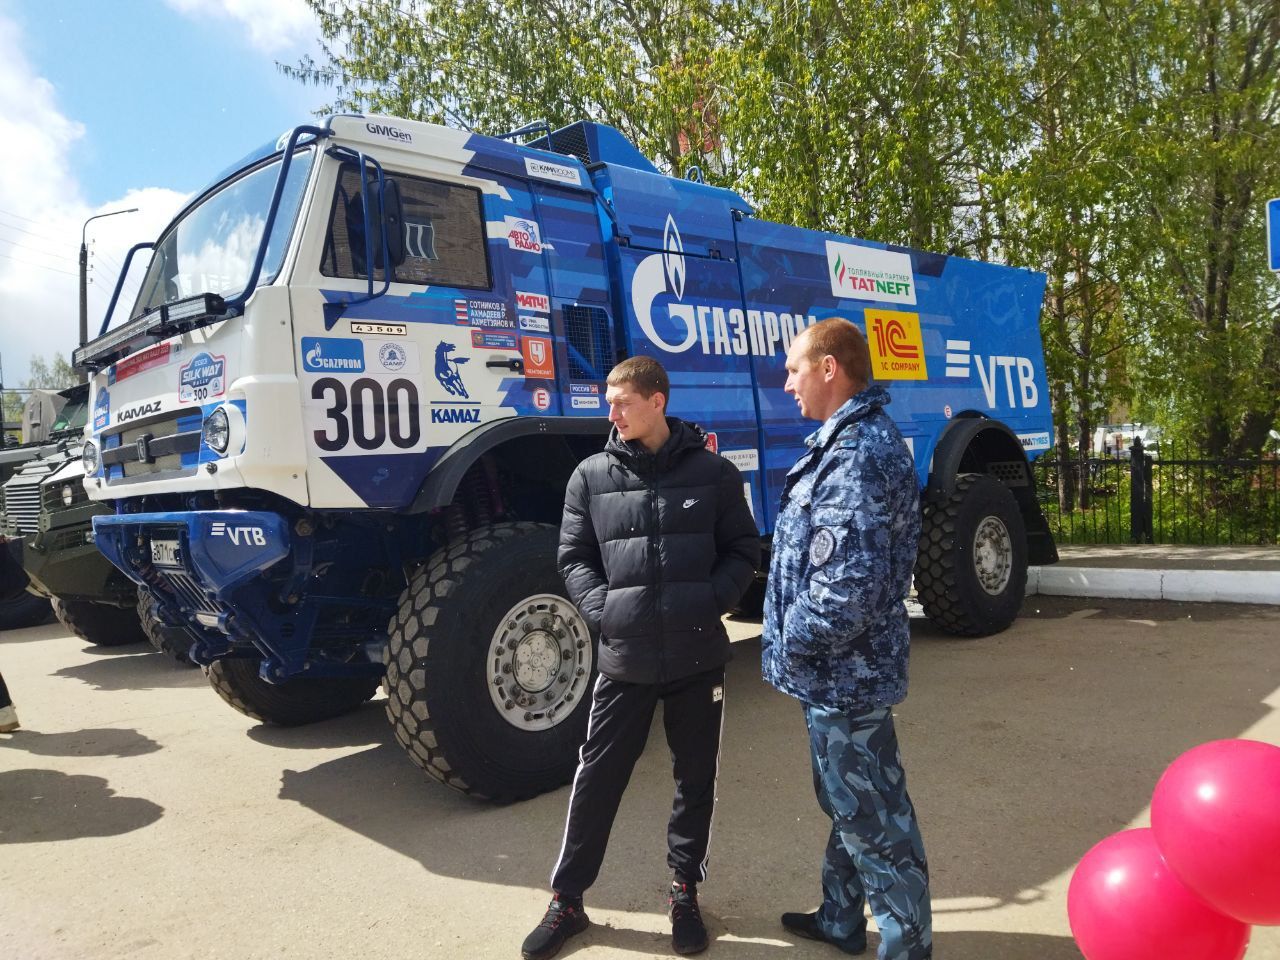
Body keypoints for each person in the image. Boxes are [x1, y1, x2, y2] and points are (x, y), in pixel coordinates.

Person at [522, 355, 761, 960]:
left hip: (696, 656)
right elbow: (573, 556)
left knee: (694, 778)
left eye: (623, 400)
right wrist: (605, 613)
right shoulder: (589, 476)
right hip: (623, 657)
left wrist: (710, 601)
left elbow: (743, 548)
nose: (612, 411)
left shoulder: (714, 474)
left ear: (658, 400)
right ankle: (567, 901)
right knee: (598, 778)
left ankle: (684, 893)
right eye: (609, 400)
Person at [762, 318, 932, 960]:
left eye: (794, 370)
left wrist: (788, 643)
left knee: (877, 825)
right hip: (840, 673)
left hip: (844, 674)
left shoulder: (857, 451)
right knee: (851, 805)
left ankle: (907, 947)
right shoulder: (846, 441)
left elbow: (847, 587)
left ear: (829, 368)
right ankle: (839, 919)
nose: (787, 384)